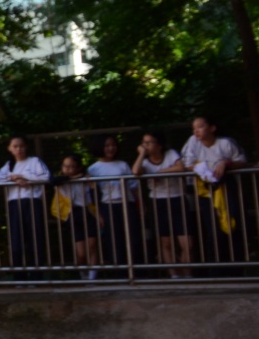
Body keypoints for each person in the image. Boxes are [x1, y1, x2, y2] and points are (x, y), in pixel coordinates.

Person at [180, 116, 248, 266]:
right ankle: (216, 268)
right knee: (213, 228)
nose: (196, 131)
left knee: (233, 224)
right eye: (194, 128)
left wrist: (226, 163)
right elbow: (187, 163)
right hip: (205, 188)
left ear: (212, 128)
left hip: (226, 187)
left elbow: (242, 161)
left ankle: (237, 266)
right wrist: (201, 168)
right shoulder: (193, 142)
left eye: (200, 126)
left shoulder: (226, 143)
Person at [134, 131, 193, 275]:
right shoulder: (145, 162)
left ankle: (187, 274)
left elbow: (180, 167)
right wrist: (141, 154)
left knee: (187, 243)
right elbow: (135, 171)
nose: (145, 145)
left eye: (149, 143)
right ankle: (174, 275)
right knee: (165, 242)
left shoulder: (171, 154)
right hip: (157, 202)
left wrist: (160, 172)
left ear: (159, 145)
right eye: (143, 143)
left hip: (177, 199)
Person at [0, 136, 51, 275]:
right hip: (14, 203)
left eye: (21, 146)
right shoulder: (8, 165)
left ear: (26, 147)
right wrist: (12, 179)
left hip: (32, 201)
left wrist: (24, 177)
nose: (19, 149)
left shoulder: (34, 161)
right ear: (9, 148)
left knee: (35, 238)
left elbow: (46, 176)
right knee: (16, 241)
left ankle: (37, 275)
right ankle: (19, 276)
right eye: (15, 146)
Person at [85, 134, 138, 273]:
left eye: (113, 145)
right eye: (107, 145)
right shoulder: (93, 169)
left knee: (133, 238)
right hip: (108, 206)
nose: (111, 148)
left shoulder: (123, 164)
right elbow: (91, 194)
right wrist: (98, 214)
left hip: (127, 204)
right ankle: (120, 273)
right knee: (114, 240)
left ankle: (136, 271)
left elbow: (133, 186)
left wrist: (140, 205)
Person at [53, 156, 100, 279]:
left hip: (88, 212)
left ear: (78, 168)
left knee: (92, 245)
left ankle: (92, 276)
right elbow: (52, 181)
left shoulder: (86, 179)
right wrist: (72, 178)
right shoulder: (61, 180)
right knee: (81, 253)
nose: (68, 169)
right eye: (65, 166)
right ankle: (83, 272)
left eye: (71, 167)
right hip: (72, 214)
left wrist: (91, 186)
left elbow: (95, 197)